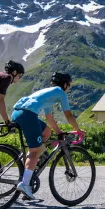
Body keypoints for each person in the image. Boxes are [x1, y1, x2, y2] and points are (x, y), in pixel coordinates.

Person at [11, 71, 83, 200]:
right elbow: (68, 115)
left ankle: (32, 158)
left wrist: (59, 132)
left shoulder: (50, 94)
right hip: (28, 115)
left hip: (18, 113)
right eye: (69, 85)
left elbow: (49, 117)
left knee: (47, 132)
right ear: (65, 84)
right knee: (35, 151)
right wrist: (77, 129)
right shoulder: (60, 92)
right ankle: (25, 184)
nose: (69, 88)